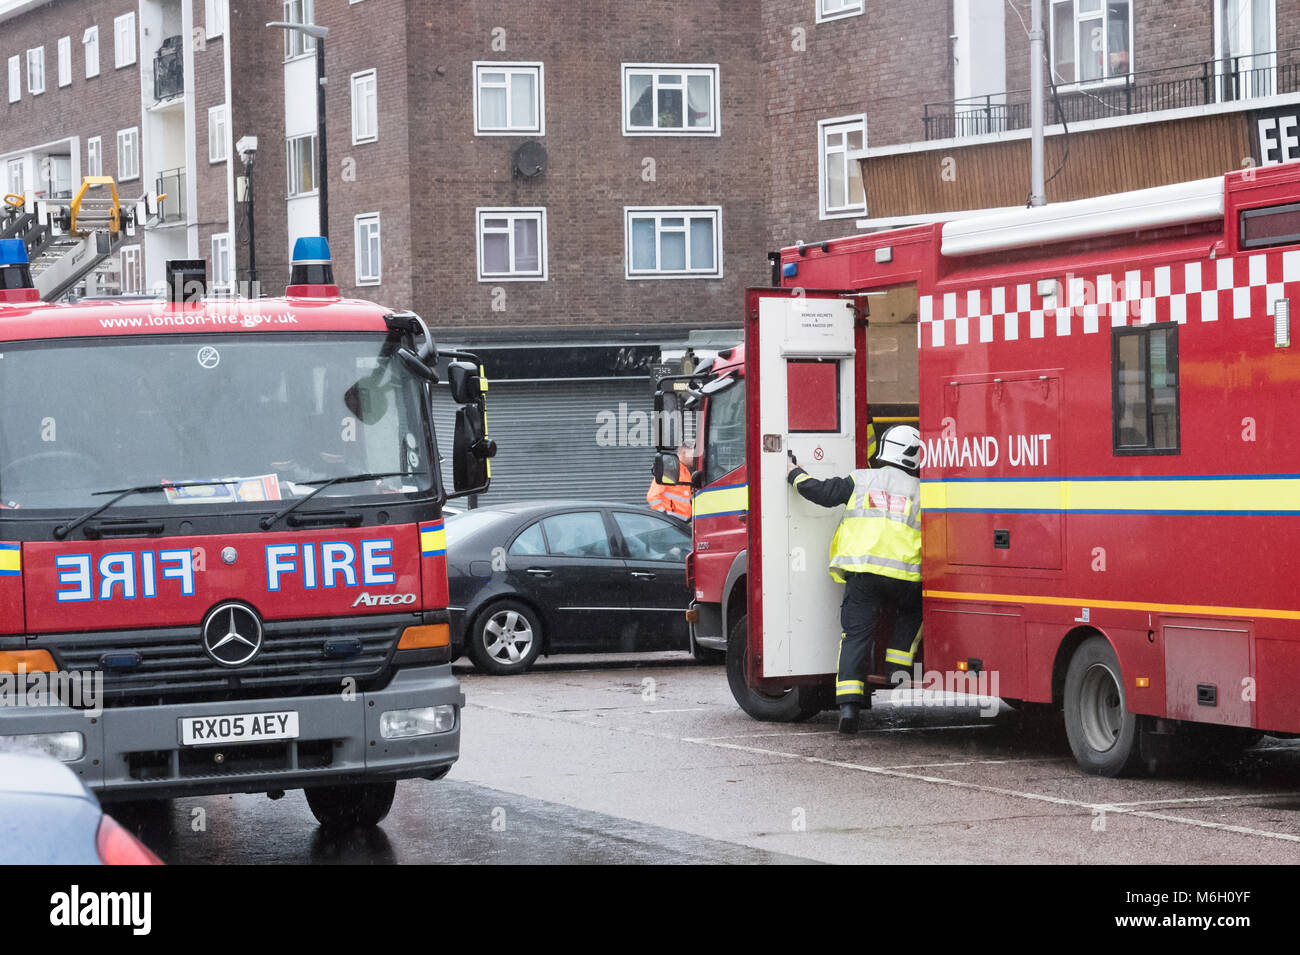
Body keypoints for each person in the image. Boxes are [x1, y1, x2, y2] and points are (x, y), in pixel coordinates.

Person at [787, 425, 923, 734]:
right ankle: (897, 667)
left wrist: (793, 472)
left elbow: (820, 493)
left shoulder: (861, 479)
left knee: (856, 637)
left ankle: (849, 707)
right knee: (913, 614)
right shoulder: (921, 490)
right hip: (905, 578)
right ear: (915, 455)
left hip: (863, 576)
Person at [647, 439, 695, 519]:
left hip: (681, 523)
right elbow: (652, 497)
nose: (695, 458)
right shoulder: (670, 470)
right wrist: (664, 516)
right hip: (670, 524)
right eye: (693, 455)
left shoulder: (685, 471)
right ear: (684, 453)